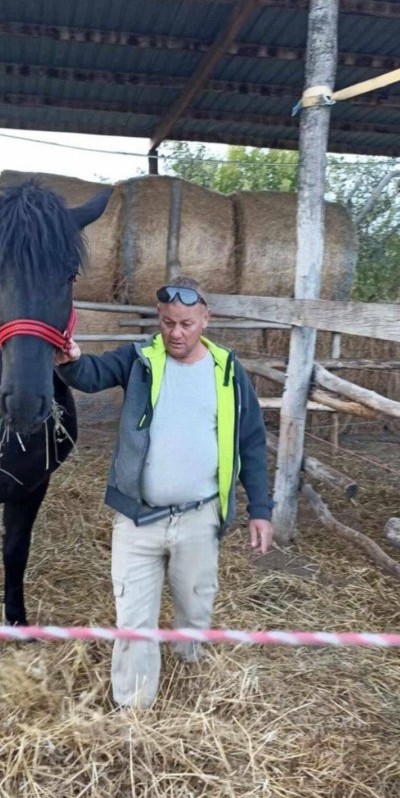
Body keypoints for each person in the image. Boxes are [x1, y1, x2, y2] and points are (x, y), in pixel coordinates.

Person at [54, 276, 274, 708]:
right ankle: (134, 713)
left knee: (194, 608)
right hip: (138, 519)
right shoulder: (139, 359)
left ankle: (188, 673)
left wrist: (260, 509)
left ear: (206, 319)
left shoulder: (228, 371)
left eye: (187, 323)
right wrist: (72, 359)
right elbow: (92, 374)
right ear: (159, 318)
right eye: (169, 322)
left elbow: (251, 441)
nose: (176, 333)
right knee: (134, 620)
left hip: (199, 516)